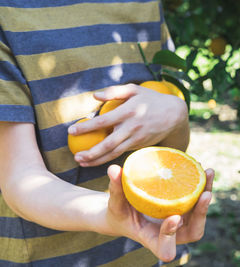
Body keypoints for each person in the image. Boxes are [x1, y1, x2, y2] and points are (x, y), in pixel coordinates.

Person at [0, 0, 214, 266]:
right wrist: (111, 215)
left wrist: (177, 117)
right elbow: (21, 179)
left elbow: (170, 151)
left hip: (142, 253)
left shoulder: (144, 4)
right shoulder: (8, 15)